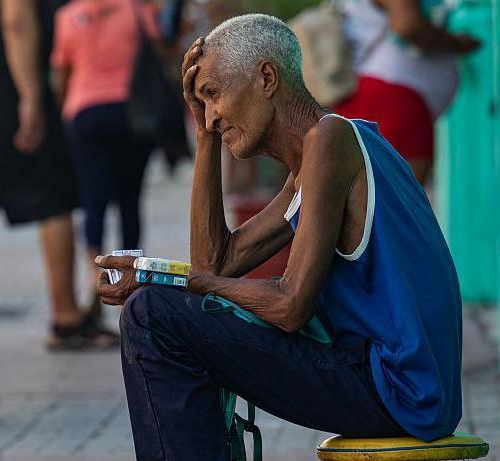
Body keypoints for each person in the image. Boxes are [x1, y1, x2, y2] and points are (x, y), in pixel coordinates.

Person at [94, 14, 463, 459]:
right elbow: (217, 262)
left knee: (152, 315)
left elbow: (289, 306)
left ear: (266, 77)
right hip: (402, 389)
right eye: (201, 105)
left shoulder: (332, 140)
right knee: (158, 309)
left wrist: (180, 282)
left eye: (213, 96)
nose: (211, 117)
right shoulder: (315, 161)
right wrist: (205, 138)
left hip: (397, 391)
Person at [0, 0, 108, 349]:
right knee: (53, 196)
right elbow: (16, 18)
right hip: (12, 81)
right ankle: (66, 316)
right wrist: (31, 95)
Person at [49, 0, 158, 320]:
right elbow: (159, 50)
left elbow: (60, 73)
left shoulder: (68, 16)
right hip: (131, 115)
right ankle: (131, 281)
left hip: (84, 115)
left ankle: (95, 282)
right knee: (129, 200)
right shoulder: (136, 10)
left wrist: (63, 114)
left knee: (93, 202)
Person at [334, 0, 480, 185]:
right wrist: (457, 43)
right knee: (397, 208)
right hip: (391, 103)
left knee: (375, 206)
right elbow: (408, 26)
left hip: (374, 99)